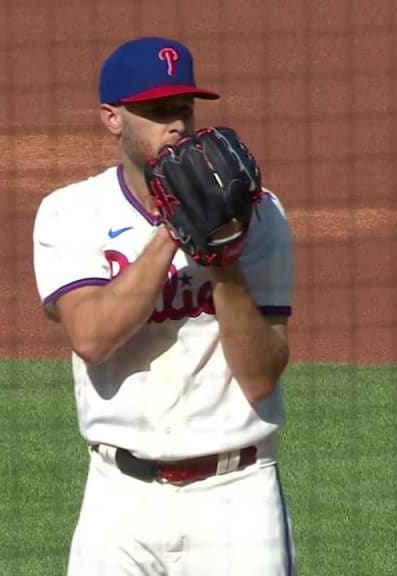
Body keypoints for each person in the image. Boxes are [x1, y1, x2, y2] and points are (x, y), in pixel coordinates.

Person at [32, 36, 296, 575]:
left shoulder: (258, 214)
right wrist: (175, 230)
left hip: (236, 500)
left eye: (183, 109)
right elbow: (92, 337)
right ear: (112, 118)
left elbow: (261, 377)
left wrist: (222, 254)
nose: (176, 124)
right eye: (156, 112)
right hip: (118, 502)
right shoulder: (71, 213)